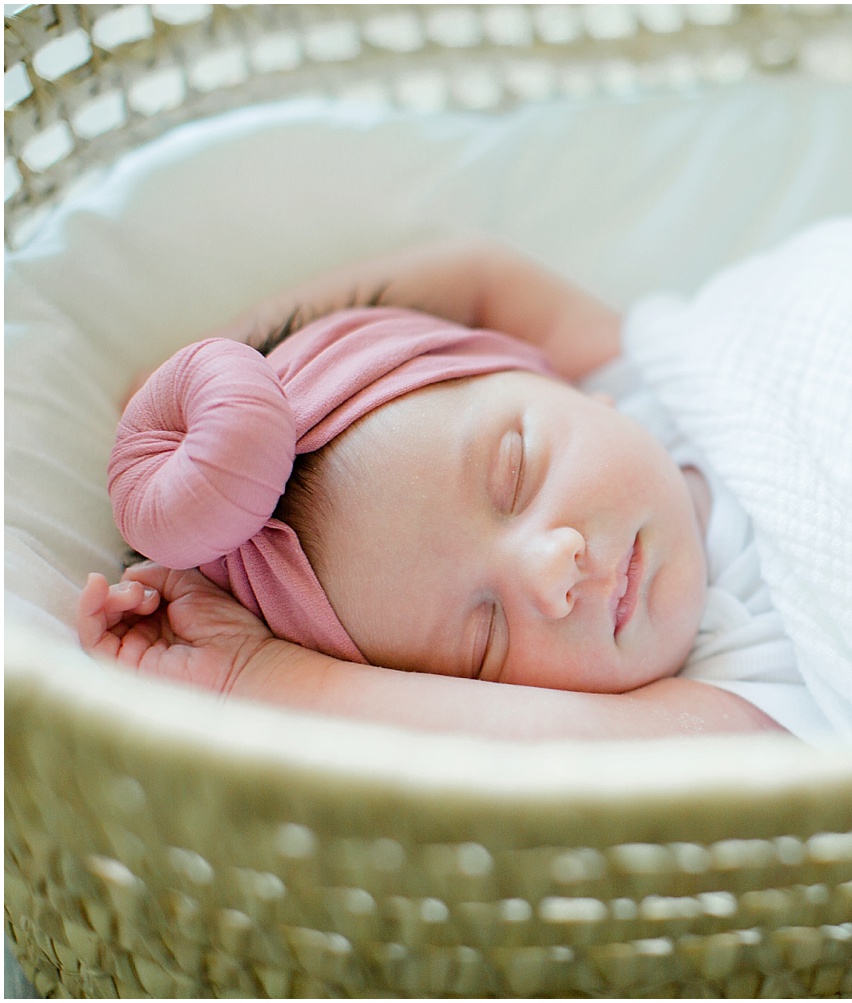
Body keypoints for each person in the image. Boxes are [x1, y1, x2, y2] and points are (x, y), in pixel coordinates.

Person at [77, 239, 791, 741]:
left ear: (548, 377)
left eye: (516, 473)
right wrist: (256, 673)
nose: (554, 570)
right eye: (486, 636)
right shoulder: (738, 683)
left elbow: (479, 276)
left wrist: (209, 384)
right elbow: (552, 749)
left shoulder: (648, 378)